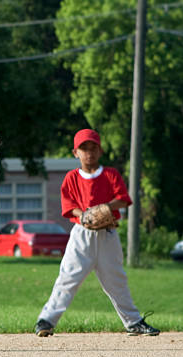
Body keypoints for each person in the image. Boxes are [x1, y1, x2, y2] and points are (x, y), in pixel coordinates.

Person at [34, 128, 160, 337]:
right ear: (76, 153)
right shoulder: (72, 178)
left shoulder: (110, 175)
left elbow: (123, 199)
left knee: (116, 279)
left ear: (100, 151)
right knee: (68, 277)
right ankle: (46, 320)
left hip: (108, 235)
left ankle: (134, 322)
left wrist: (107, 207)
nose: (89, 152)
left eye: (93, 148)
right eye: (84, 148)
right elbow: (69, 205)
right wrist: (83, 214)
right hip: (82, 234)